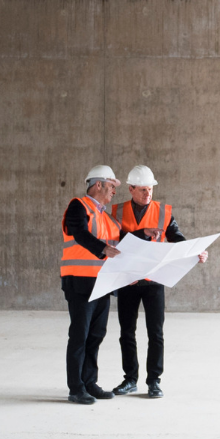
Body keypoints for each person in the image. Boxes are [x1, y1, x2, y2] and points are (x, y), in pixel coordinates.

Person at [110, 165, 207, 399]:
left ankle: (154, 381)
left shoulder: (163, 212)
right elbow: (113, 240)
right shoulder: (116, 212)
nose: (148, 193)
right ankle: (130, 380)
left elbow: (177, 240)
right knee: (127, 333)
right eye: (143, 189)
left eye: (150, 188)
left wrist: (196, 252)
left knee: (156, 333)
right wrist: (142, 232)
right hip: (128, 280)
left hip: (154, 280)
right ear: (131, 189)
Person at [61, 165, 124, 405]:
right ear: (98, 185)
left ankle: (89, 383)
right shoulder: (78, 205)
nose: (114, 192)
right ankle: (76, 388)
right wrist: (102, 249)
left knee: (96, 335)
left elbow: (120, 241)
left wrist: (145, 235)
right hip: (80, 282)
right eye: (111, 186)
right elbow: (77, 231)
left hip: (102, 283)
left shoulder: (106, 216)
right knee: (80, 335)